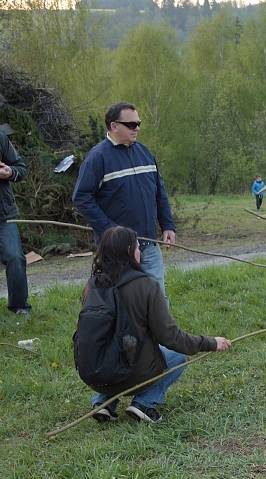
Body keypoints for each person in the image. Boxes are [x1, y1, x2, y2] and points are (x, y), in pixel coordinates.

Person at [81, 226, 231, 423]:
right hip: (127, 373)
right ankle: (144, 403)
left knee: (118, 346)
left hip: (92, 373)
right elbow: (171, 338)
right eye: (136, 247)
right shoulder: (145, 286)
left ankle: (104, 402)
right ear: (128, 252)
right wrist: (210, 343)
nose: (140, 251)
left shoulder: (92, 284)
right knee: (177, 356)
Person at [73, 102, 176, 293]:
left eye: (138, 123)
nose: (136, 128)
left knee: (157, 297)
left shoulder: (144, 152)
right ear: (114, 126)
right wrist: (113, 232)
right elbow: (81, 198)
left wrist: (167, 224)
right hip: (117, 249)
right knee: (122, 299)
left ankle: (158, 324)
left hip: (149, 244)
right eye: (131, 124)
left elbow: (159, 191)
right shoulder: (97, 158)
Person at [0, 131, 31, 316]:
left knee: (15, 258)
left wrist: (10, 172)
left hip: (4, 216)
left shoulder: (0, 137)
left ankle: (19, 307)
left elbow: (21, 168)